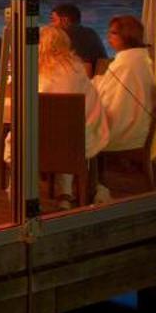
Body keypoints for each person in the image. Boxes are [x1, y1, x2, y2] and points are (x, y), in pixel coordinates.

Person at [38, 23, 109, 204]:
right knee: (79, 130)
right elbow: (93, 104)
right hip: (73, 140)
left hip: (38, 140)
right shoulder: (77, 70)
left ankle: (18, 190)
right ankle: (78, 191)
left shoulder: (34, 72)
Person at [94, 13, 156, 154]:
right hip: (141, 128)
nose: (108, 37)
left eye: (113, 33)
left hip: (126, 133)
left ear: (127, 36)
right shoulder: (139, 58)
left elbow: (108, 100)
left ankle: (70, 173)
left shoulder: (125, 64)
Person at [50, 3, 108, 75]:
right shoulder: (89, 31)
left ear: (65, 20)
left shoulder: (75, 36)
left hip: (91, 82)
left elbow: (86, 70)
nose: (51, 25)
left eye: (53, 20)